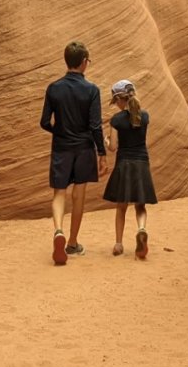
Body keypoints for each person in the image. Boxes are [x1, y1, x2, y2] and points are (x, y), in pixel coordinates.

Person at [41, 41, 109, 266]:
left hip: (61, 147)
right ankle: (72, 243)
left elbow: (44, 122)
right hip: (83, 148)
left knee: (59, 193)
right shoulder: (91, 90)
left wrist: (58, 131)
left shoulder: (54, 88)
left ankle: (58, 230)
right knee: (78, 195)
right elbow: (95, 125)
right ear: (83, 62)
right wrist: (101, 152)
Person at [102, 79, 156, 260]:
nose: (116, 104)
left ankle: (118, 243)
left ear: (119, 99)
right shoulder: (145, 116)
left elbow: (113, 147)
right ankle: (141, 229)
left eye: (115, 101)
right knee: (140, 205)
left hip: (124, 164)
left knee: (121, 206)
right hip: (141, 162)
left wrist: (106, 141)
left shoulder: (116, 120)